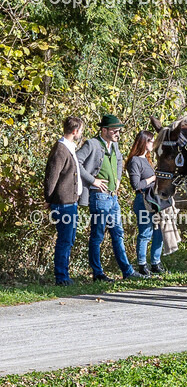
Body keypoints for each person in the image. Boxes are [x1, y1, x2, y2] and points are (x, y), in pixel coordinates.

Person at [76, 114, 141, 282]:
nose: (118, 133)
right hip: (98, 197)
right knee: (97, 236)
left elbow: (119, 161)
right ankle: (97, 273)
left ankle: (127, 271)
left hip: (112, 198)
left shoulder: (115, 145)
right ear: (104, 130)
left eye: (119, 130)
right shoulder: (92, 144)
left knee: (118, 234)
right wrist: (93, 180)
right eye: (115, 130)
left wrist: (118, 179)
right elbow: (76, 161)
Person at [43, 116, 85, 286]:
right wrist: (49, 199)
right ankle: (61, 277)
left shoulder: (69, 148)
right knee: (64, 241)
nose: (81, 133)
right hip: (63, 204)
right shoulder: (61, 150)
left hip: (70, 202)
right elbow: (51, 178)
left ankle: (64, 275)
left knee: (69, 240)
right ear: (75, 131)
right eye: (81, 130)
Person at [126, 130, 164, 277]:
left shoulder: (147, 159)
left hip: (153, 201)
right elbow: (136, 185)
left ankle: (156, 262)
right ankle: (142, 264)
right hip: (143, 201)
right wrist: (152, 179)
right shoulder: (135, 161)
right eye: (151, 141)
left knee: (158, 232)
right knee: (145, 233)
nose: (153, 144)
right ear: (144, 142)